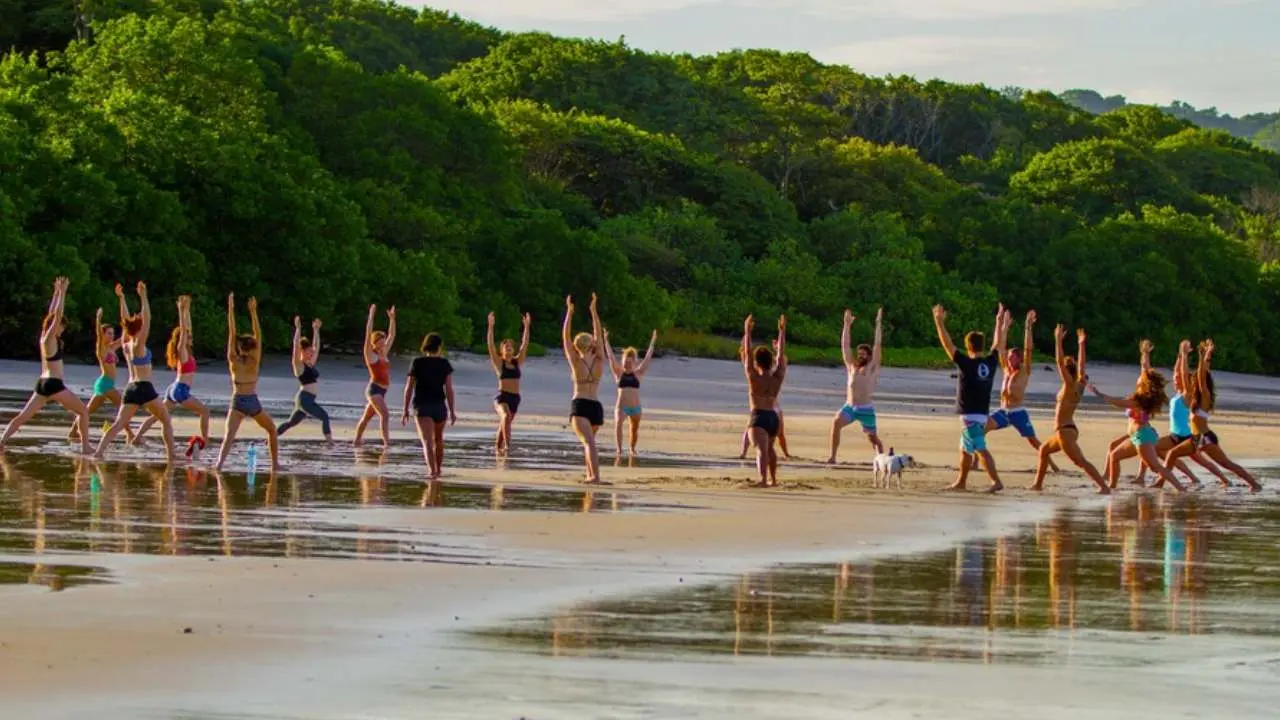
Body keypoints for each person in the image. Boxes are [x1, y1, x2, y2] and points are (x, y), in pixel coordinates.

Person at [0, 277, 92, 453]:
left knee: (23, 416)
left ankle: (2, 441)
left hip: (42, 383)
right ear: (55, 327)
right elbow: (56, 317)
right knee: (83, 412)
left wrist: (56, 293)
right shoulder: (49, 338)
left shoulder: (45, 337)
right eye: (61, 327)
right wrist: (63, 293)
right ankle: (86, 447)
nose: (62, 329)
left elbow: (51, 315)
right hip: (53, 384)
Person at [1161, 339, 1262, 491]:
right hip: (1196, 438)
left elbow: (1202, 377)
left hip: (1205, 438)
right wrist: (1188, 355)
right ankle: (1161, 482)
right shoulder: (1194, 398)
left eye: (1195, 380)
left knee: (1227, 464)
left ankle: (1254, 484)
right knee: (1172, 454)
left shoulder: (1205, 396)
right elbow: (1184, 376)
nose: (1192, 381)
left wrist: (1202, 357)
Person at [94, 282, 176, 464]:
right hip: (145, 387)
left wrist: (122, 299)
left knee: (118, 425)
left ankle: (98, 453)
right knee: (166, 420)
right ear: (139, 329)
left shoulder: (126, 344)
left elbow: (124, 320)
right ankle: (172, 457)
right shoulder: (138, 344)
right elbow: (147, 319)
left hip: (130, 388)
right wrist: (143, 297)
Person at [1132, 340, 1230, 487]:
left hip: (1187, 437)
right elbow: (1177, 371)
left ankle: (1224, 480)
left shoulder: (1187, 394)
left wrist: (1184, 356)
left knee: (1203, 462)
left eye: (1178, 379)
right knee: (1152, 447)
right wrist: (1179, 355)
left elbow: (1183, 373)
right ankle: (1146, 477)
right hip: (1174, 436)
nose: (1175, 380)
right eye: (1174, 379)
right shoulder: (1177, 396)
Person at [1093, 339, 1186, 493]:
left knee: (1155, 467)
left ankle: (1181, 489)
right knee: (1114, 456)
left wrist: (1100, 394)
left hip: (1143, 437)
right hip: (1138, 436)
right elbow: (1145, 368)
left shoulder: (1140, 400)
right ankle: (1110, 488)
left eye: (1140, 380)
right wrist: (1145, 353)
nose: (1138, 379)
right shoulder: (1142, 394)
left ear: (1144, 385)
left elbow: (1119, 403)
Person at [932, 303, 1007, 492]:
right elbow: (998, 344)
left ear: (968, 346)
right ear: (982, 345)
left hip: (971, 415)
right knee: (965, 449)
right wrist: (998, 322)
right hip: (980, 414)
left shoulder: (966, 363)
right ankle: (961, 482)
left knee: (980, 448)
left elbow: (947, 344)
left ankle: (996, 481)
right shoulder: (990, 362)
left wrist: (939, 322)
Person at [1029, 325, 1109, 493]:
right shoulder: (1079, 385)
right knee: (1044, 450)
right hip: (1064, 430)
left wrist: (1058, 341)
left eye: (1063, 370)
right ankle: (1037, 485)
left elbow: (1059, 362)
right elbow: (1082, 367)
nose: (1061, 372)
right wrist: (1081, 344)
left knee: (1080, 462)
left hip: (1065, 431)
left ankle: (1104, 487)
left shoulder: (1069, 386)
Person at [133, 295, 210, 455]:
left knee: (157, 415)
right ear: (183, 339)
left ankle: (137, 437)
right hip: (180, 390)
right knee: (204, 412)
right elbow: (183, 331)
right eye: (189, 337)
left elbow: (187, 329)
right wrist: (180, 311)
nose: (191, 338)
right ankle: (205, 442)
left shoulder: (187, 351)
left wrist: (187, 309)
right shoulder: (182, 350)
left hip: (173, 388)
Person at [982, 310, 1058, 472]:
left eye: (1013, 357)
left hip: (1018, 412)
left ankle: (1052, 465)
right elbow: (1000, 348)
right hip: (1003, 411)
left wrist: (1028, 327)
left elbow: (1028, 349)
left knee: (1033, 441)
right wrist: (1004, 326)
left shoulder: (1024, 370)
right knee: (981, 430)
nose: (1009, 359)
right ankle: (976, 462)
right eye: (1009, 357)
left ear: (1019, 358)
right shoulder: (1006, 369)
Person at [212, 294, 279, 473]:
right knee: (272, 430)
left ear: (239, 348)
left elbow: (231, 332)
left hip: (238, 400)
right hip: (251, 400)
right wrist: (253, 312)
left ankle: (219, 465)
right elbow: (258, 334)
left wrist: (231, 309)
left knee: (229, 436)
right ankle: (275, 465)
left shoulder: (233, 359)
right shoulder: (254, 360)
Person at [67, 305, 132, 445]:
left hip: (105, 383)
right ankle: (130, 434)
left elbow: (125, 337)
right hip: (105, 383)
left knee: (87, 411)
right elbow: (98, 333)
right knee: (122, 407)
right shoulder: (101, 348)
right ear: (103, 334)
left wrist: (126, 316)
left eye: (112, 333)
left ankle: (73, 431)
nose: (111, 336)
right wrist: (98, 319)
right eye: (109, 333)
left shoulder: (111, 347)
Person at [827, 308, 884, 464]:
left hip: (866, 408)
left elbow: (877, 345)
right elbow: (845, 347)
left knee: (873, 438)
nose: (861, 356)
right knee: (836, 422)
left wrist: (878, 323)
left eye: (864, 354)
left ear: (869, 356)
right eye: (859, 354)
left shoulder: (872, 367)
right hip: (850, 407)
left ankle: (881, 459)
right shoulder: (852, 366)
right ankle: (832, 457)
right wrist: (847, 325)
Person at [562, 294, 606, 484]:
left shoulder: (575, 361)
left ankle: (594, 476)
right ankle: (590, 474)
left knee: (589, 443)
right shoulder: (599, 360)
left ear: (576, 345)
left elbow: (565, 337)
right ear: (592, 344)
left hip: (580, 404)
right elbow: (599, 335)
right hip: (595, 406)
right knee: (590, 443)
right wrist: (593, 311)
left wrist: (569, 314)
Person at [401, 332, 457, 479]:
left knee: (427, 442)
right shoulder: (444, 364)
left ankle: (432, 472)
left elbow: (409, 387)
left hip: (422, 405)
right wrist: (452, 410)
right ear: (439, 346)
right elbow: (449, 389)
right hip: (439, 406)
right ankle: (438, 470)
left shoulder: (417, 362)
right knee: (438, 440)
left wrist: (405, 409)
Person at [743, 314, 787, 487]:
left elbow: (747, 354)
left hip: (759, 416)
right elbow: (781, 356)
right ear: (770, 361)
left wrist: (747, 332)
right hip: (773, 417)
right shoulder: (777, 377)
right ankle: (773, 480)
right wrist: (782, 332)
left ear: (757, 362)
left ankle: (762, 480)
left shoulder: (754, 377)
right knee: (770, 449)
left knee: (761, 450)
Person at [275, 317, 333, 445]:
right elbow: (296, 346)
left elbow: (316, 347)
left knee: (291, 423)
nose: (312, 353)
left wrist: (316, 330)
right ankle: (331, 444)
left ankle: (270, 438)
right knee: (324, 416)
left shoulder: (310, 363)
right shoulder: (298, 365)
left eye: (311, 352)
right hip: (305, 399)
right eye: (309, 352)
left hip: (308, 399)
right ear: (302, 352)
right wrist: (298, 329)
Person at [603, 327, 658, 457]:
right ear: (622, 361)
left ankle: (632, 449)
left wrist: (653, 341)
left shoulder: (638, 373)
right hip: (621, 407)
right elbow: (611, 357)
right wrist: (606, 341)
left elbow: (648, 358)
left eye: (629, 362)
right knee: (618, 425)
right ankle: (619, 450)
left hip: (635, 408)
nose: (627, 365)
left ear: (634, 362)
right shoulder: (618, 373)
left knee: (634, 429)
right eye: (625, 362)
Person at [486, 311, 531, 454]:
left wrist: (527, 327)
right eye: (506, 346)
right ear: (502, 350)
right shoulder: (499, 363)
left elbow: (525, 344)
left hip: (515, 399)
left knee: (504, 425)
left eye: (511, 346)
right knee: (505, 417)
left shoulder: (517, 362)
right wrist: (491, 326)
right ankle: (508, 447)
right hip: (502, 397)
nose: (509, 347)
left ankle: (497, 449)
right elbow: (491, 346)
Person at [739, 338, 790, 460]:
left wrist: (747, 336)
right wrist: (779, 348)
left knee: (753, 429)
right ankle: (745, 452)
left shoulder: (758, 375)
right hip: (772, 409)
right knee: (773, 436)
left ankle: (784, 453)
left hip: (764, 408)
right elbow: (782, 362)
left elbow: (747, 360)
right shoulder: (774, 373)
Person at [353, 304, 396, 448]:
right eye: (380, 342)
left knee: (366, 418)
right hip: (374, 390)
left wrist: (392, 319)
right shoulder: (371, 355)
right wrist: (371, 316)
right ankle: (387, 443)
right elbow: (367, 336)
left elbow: (392, 335)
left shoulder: (384, 353)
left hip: (383, 391)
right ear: (375, 344)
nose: (383, 344)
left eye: (383, 342)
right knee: (385, 415)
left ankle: (356, 440)